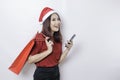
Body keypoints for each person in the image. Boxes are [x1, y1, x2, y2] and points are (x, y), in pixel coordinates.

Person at [28, 7, 73, 80]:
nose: (58, 22)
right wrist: (48, 51)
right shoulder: (39, 38)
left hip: (55, 73)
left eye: (58, 19)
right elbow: (30, 60)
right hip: (42, 75)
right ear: (47, 22)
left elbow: (57, 61)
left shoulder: (57, 38)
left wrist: (68, 49)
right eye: (54, 20)